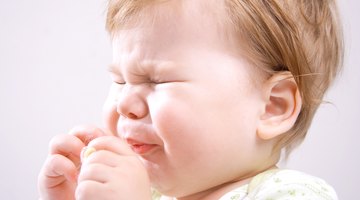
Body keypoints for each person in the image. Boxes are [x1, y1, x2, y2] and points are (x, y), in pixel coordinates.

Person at [38, 0, 343, 199]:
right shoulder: (145, 193)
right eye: (119, 80)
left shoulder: (293, 194)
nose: (124, 104)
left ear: (272, 107)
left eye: (157, 80)